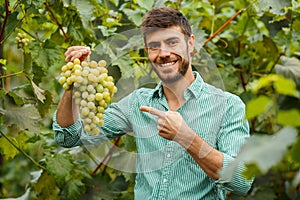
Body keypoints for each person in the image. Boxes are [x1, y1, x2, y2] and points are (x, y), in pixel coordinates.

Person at [53, 6, 253, 199]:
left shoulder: (228, 106)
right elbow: (69, 137)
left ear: (190, 44)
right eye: (154, 46)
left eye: (172, 42)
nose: (163, 53)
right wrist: (74, 85)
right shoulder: (138, 103)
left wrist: (187, 138)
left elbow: (242, 181)